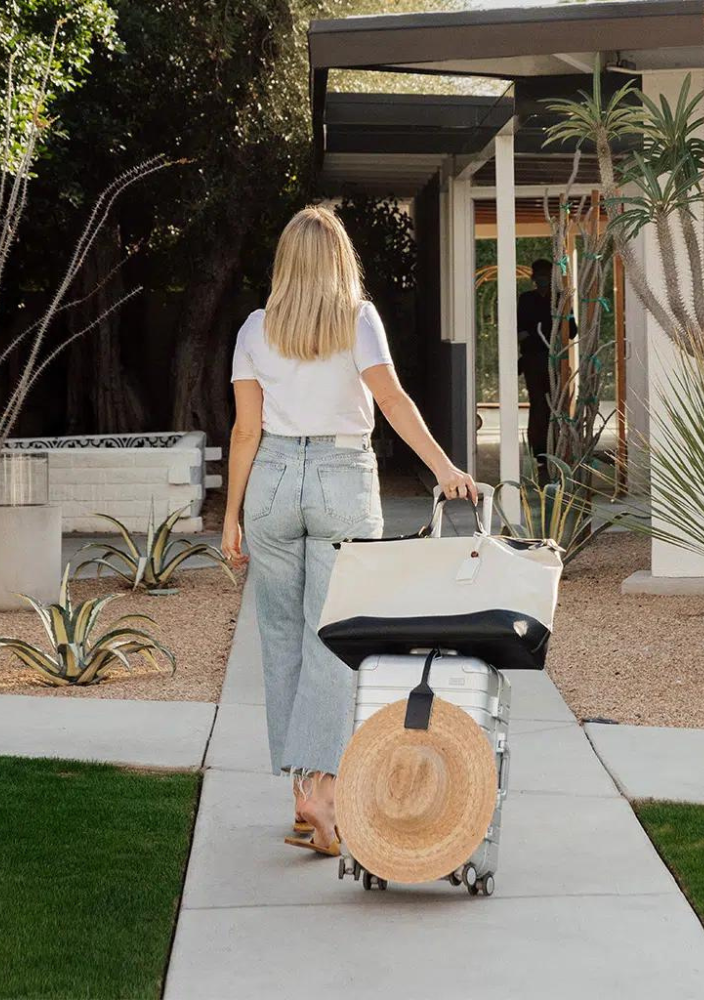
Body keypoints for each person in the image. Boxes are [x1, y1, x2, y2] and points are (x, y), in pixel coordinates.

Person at [221, 206, 476, 856]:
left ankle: (302, 796)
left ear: (285, 264)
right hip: (339, 477)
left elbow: (245, 429)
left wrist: (230, 515)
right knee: (333, 640)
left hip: (273, 480)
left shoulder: (255, 327)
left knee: (280, 640)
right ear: (340, 261)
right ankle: (323, 793)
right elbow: (391, 400)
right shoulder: (358, 319)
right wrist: (444, 468)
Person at [517, 259, 574, 477]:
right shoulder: (527, 299)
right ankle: (539, 451)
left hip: (556, 359)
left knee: (556, 404)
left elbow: (572, 330)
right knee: (538, 404)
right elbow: (520, 329)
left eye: (545, 275)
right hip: (533, 360)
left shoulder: (560, 300)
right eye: (538, 275)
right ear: (533, 277)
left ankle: (557, 447)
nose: (541, 279)